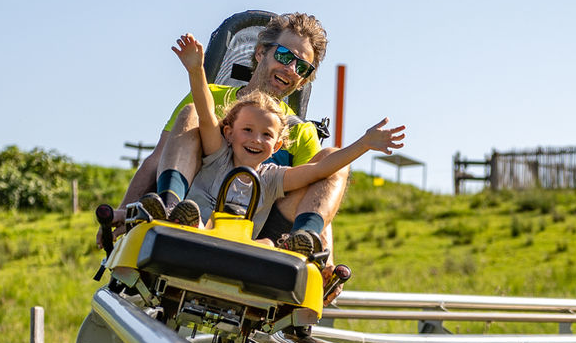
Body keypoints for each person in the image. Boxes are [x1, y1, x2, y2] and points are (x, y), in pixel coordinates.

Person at [117, 12, 345, 254]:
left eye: (301, 67)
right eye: (283, 55)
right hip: (193, 210)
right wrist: (123, 214)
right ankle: (171, 206)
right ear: (260, 53)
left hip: (263, 235)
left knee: (335, 161)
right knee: (192, 112)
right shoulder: (210, 97)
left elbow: (317, 190)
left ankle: (299, 244)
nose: (290, 68)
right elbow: (158, 158)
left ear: (302, 81)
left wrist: (327, 259)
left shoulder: (300, 131)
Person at [162, 34, 404, 248]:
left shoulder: (271, 177)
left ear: (277, 146)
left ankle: (299, 245)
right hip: (198, 227)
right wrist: (196, 70)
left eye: (267, 135)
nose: (256, 140)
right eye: (247, 130)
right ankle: (173, 211)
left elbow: (321, 170)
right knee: (193, 113)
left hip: (244, 243)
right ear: (229, 133)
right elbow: (205, 113)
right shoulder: (217, 155)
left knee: (268, 242)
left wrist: (363, 144)